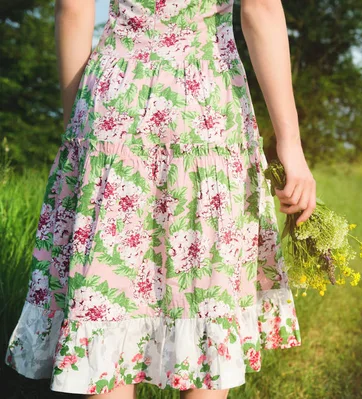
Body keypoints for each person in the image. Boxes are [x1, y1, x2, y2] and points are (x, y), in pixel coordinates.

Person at [4, 0, 316, 397]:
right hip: (205, 107)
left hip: (115, 105)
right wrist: (289, 144)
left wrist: (77, 128)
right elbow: (263, 9)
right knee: (205, 303)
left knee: (107, 307)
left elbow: (73, 7)